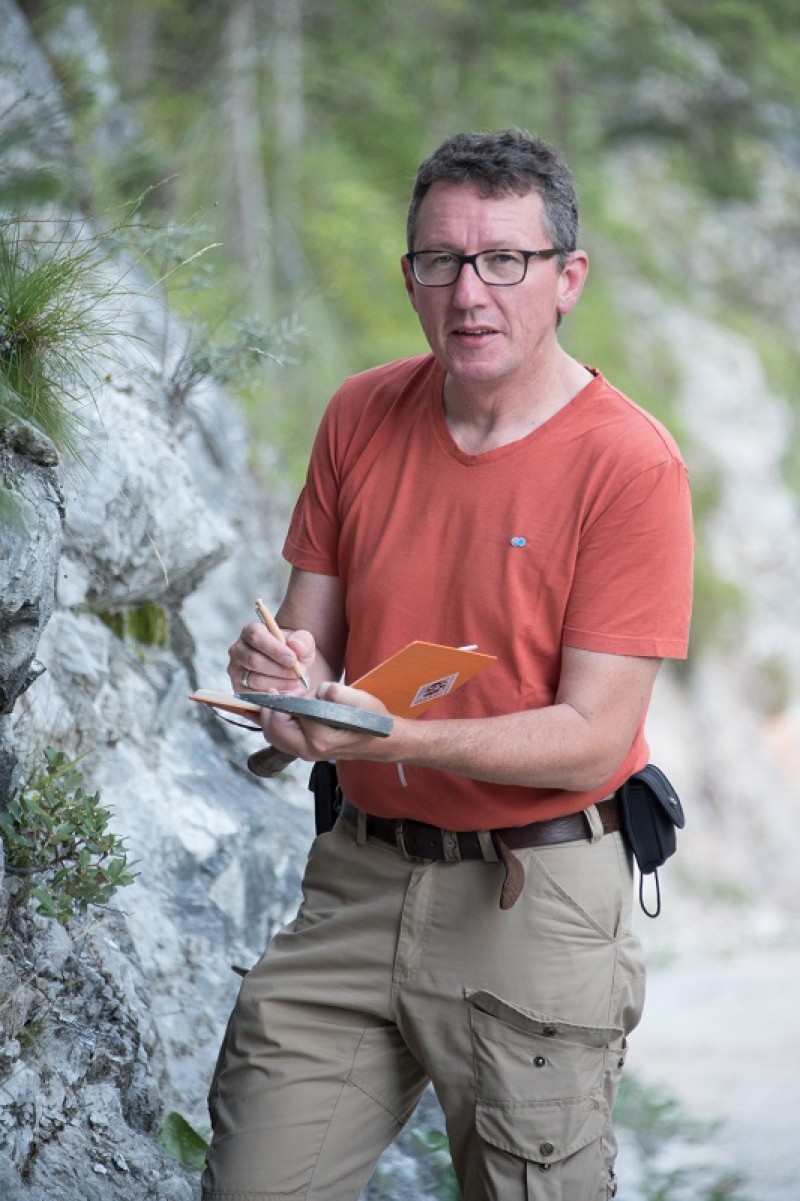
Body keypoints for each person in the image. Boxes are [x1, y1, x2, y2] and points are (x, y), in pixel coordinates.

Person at [201, 128, 694, 1201]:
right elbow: (308, 651)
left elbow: (593, 738)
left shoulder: (629, 464)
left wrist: (390, 733)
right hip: (357, 875)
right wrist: (280, 679)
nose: (469, 293)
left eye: (503, 260)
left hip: (535, 896)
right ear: (410, 275)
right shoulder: (358, 412)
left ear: (566, 278)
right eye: (442, 260)